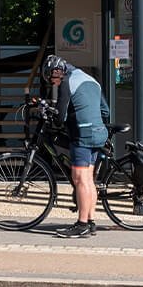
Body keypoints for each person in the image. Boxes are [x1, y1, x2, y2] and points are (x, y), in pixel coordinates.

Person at [45, 53, 111, 238]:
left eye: (52, 77)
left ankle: (81, 224)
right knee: (89, 179)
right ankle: (90, 222)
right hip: (98, 133)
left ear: (57, 72)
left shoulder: (68, 81)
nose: (53, 82)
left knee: (80, 179)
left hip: (83, 135)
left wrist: (55, 117)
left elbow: (60, 116)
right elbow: (105, 110)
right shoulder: (91, 80)